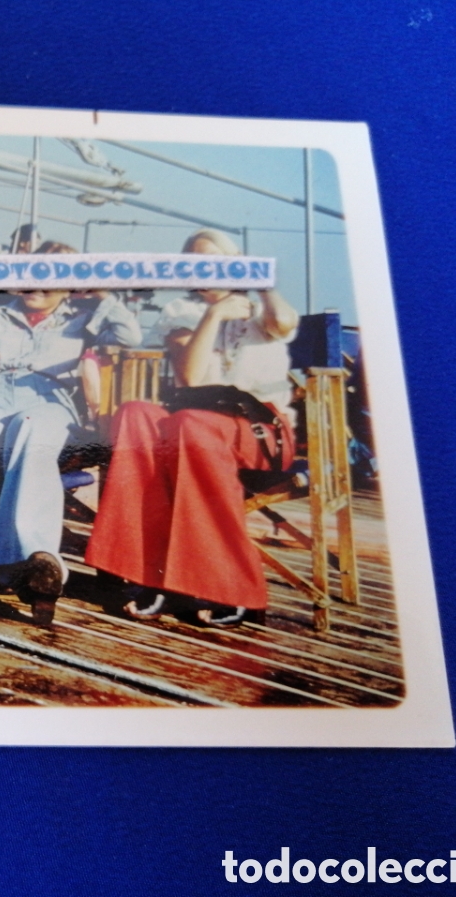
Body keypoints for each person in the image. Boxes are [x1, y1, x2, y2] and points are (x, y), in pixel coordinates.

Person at [84, 229, 300, 628]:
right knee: (134, 414)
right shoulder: (181, 312)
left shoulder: (260, 308)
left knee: (188, 424)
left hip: (259, 431)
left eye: (214, 261)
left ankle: (228, 585)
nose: (204, 271)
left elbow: (283, 321)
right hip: (197, 420)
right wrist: (215, 314)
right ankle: (141, 573)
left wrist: (260, 284)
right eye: (194, 263)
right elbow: (192, 377)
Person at [0, 257, 143, 625]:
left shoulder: (83, 317)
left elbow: (130, 337)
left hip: (50, 407)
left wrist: (101, 293)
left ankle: (29, 561)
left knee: (30, 424)